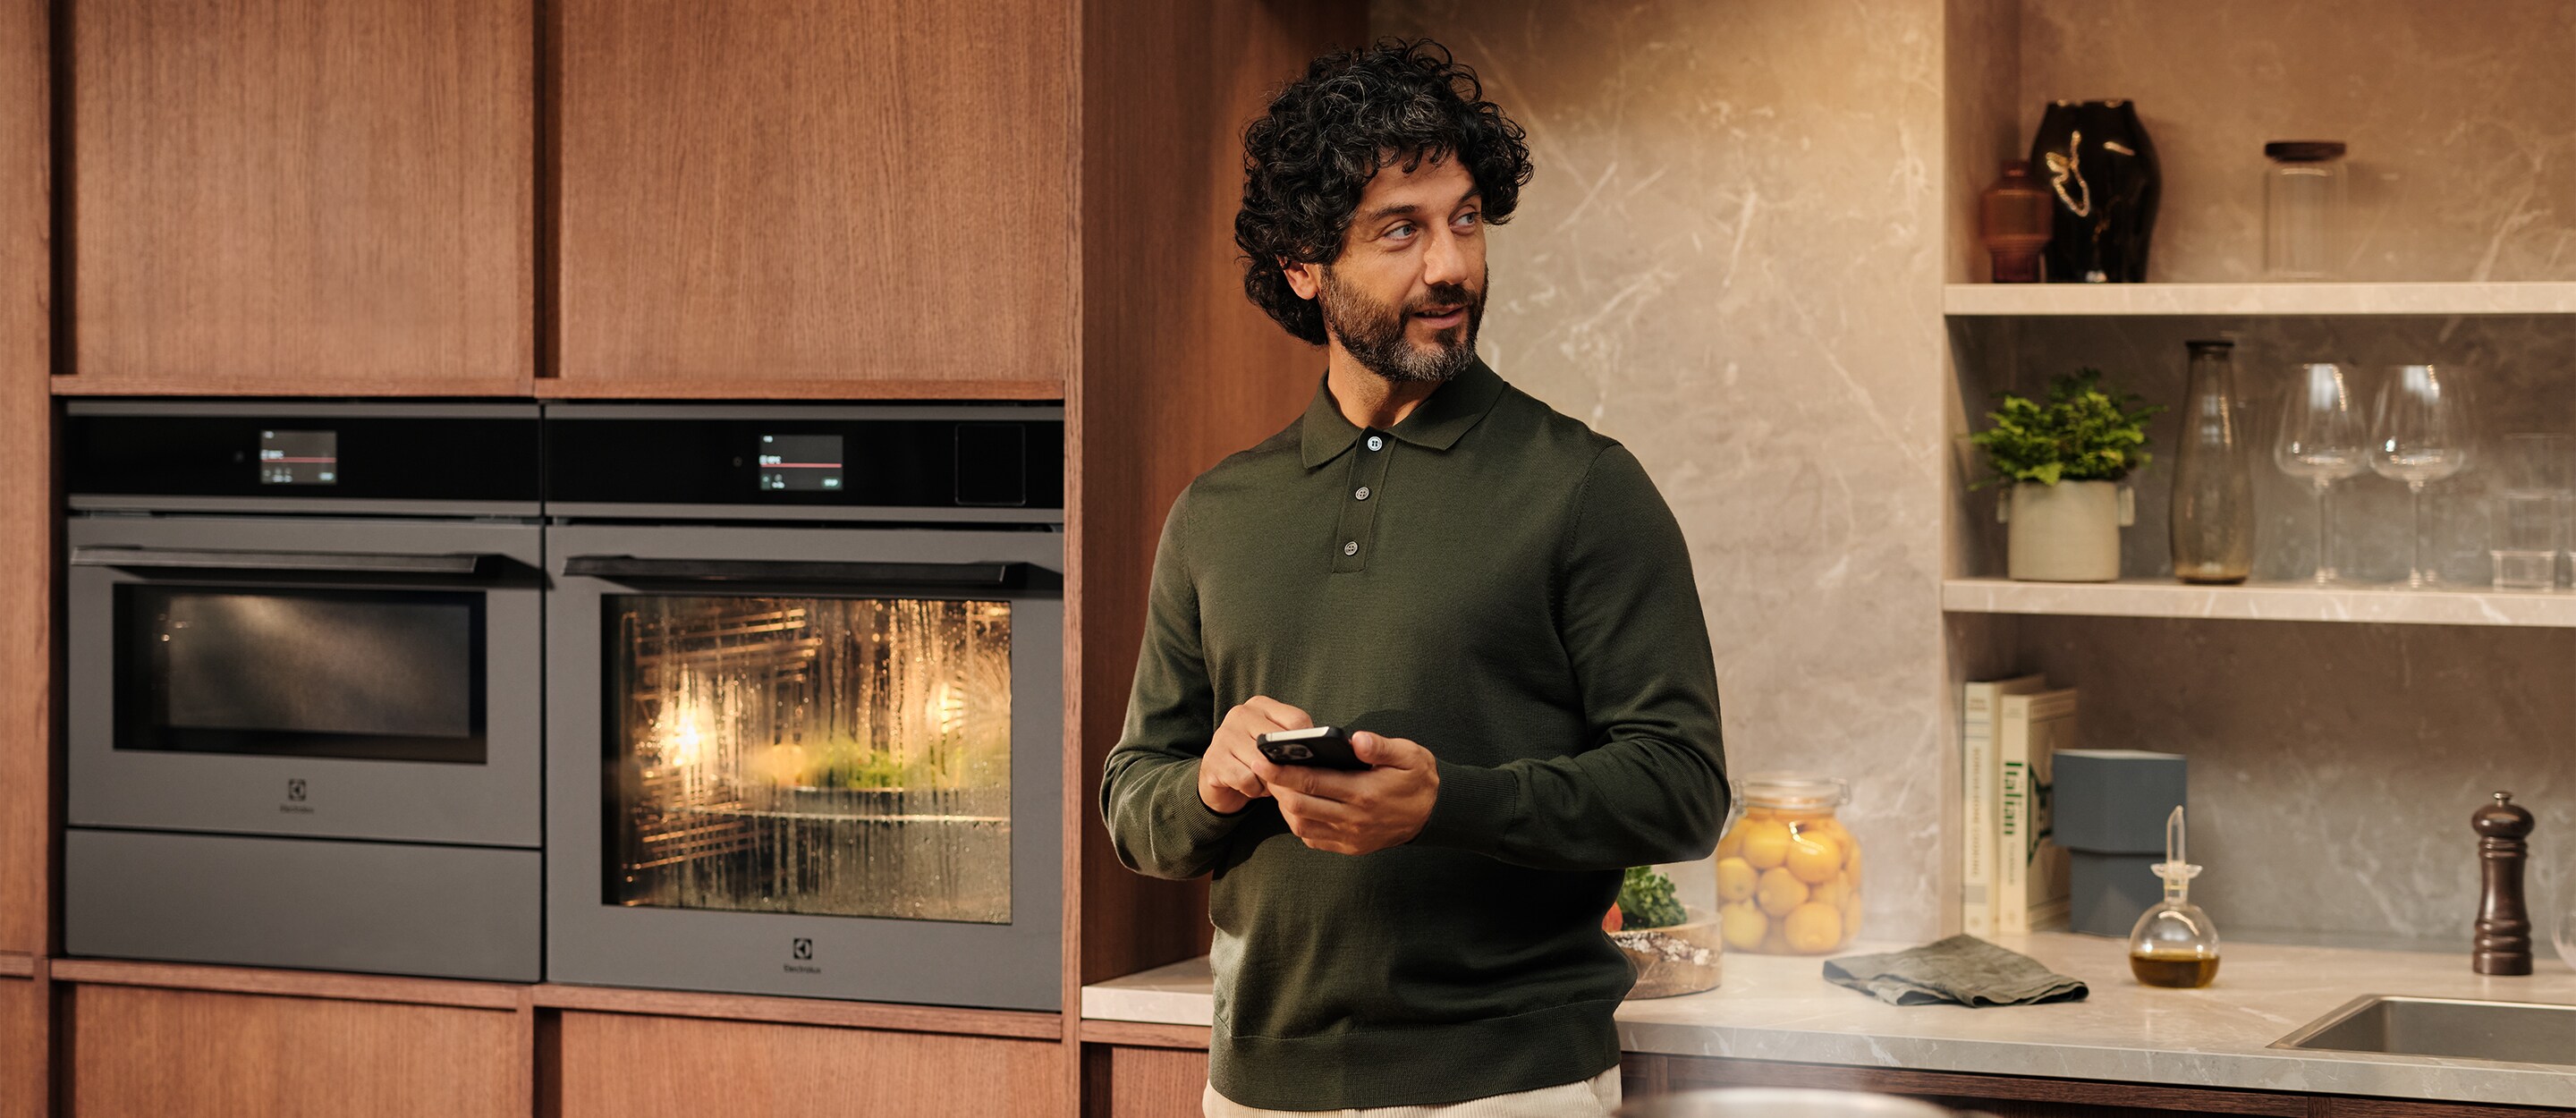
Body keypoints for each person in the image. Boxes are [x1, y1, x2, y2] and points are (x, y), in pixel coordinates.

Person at [1100, 38, 1728, 1118]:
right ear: (1304, 264)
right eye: (1402, 230)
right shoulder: (1217, 511)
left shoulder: (1583, 485)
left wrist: (1448, 801)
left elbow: (1683, 786)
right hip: (1257, 1089)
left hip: (1511, 1087)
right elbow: (1132, 796)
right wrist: (1213, 778)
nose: (1452, 267)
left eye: (1466, 219)